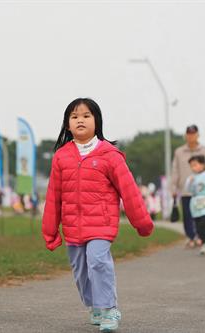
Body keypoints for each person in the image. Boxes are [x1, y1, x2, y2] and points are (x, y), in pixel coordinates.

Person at [42, 98, 154, 332]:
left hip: (101, 225)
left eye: (86, 115)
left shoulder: (109, 155)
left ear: (97, 121)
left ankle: (109, 309)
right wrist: (50, 230)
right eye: (74, 117)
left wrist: (142, 222)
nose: (80, 120)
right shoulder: (62, 157)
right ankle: (94, 305)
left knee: (98, 262)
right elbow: (54, 196)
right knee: (80, 270)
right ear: (67, 125)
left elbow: (129, 191)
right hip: (73, 226)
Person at [171, 125, 205, 248]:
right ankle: (191, 237)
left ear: (198, 135)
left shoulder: (204, 151)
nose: (191, 137)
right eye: (189, 134)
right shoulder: (179, 152)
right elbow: (175, 171)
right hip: (186, 190)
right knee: (187, 216)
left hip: (202, 191)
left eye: (193, 134)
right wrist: (173, 188)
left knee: (202, 216)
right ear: (186, 136)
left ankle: (201, 237)